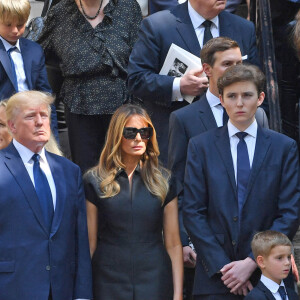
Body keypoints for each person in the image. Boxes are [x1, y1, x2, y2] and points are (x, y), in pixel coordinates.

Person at [183, 64, 300, 299]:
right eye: (232, 96)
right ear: (221, 99)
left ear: (260, 98)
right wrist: (225, 269)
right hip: (216, 276)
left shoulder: (284, 147)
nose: (239, 103)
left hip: (268, 275)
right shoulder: (200, 146)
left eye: (247, 95)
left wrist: (251, 262)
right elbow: (193, 211)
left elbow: (289, 212)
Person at [168, 36, 269, 300]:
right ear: (207, 70)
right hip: (205, 248)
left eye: (239, 62)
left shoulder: (258, 115)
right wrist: (184, 240)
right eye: (227, 64)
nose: (236, 69)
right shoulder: (183, 119)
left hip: (254, 249)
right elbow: (177, 184)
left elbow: (268, 183)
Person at [128, 0, 259, 165]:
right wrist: (179, 85)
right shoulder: (158, 26)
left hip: (233, 137)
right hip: (178, 141)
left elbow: (256, 81)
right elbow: (136, 79)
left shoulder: (243, 28)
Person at [84, 104, 183, 300]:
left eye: (144, 132)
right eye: (130, 132)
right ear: (116, 135)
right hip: (107, 279)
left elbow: (173, 243)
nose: (138, 138)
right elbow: (90, 243)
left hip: (155, 278)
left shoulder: (164, 180)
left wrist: (178, 294)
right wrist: (83, 292)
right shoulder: (94, 181)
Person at [0, 91, 92, 300]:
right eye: (31, 116)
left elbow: (79, 238)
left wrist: (83, 295)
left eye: (44, 115)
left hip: (62, 289)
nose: (40, 122)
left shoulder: (69, 171)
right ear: (12, 126)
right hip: (11, 289)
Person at [38, 0, 142, 173]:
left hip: (123, 108)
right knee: (87, 178)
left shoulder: (127, 7)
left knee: (124, 175)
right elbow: (35, 52)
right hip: (79, 108)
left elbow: (142, 60)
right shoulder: (59, 13)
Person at [0, 0, 58, 140]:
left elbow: (45, 94)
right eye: (8, 25)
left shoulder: (34, 50)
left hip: (31, 122)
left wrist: (53, 135)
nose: (15, 30)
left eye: (20, 25)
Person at [244, 231, 298, 300]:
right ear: (261, 262)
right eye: (279, 258)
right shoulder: (254, 297)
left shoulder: (292, 294)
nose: (287, 262)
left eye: (288, 257)